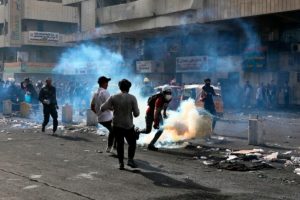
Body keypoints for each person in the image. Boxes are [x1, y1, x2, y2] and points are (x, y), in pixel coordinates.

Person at [101, 79, 140, 170]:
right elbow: (137, 114)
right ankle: (130, 160)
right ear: (129, 88)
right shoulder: (132, 98)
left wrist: (113, 108)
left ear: (119, 87)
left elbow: (102, 108)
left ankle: (121, 163)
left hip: (117, 125)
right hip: (128, 125)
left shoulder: (114, 97)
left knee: (120, 144)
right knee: (132, 143)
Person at [138, 85, 173, 151]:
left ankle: (151, 144)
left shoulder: (169, 98)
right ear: (163, 92)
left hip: (158, 113)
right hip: (150, 113)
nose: (168, 94)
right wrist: (156, 123)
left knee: (161, 129)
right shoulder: (159, 100)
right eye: (167, 93)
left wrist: (164, 113)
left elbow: (165, 105)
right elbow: (156, 112)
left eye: (169, 93)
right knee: (148, 130)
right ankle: (137, 131)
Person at [91, 76, 115, 153]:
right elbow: (110, 106)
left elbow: (92, 106)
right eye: (107, 83)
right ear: (104, 83)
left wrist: (98, 114)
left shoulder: (95, 93)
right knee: (115, 131)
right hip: (107, 118)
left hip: (100, 118)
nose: (107, 85)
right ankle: (112, 147)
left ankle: (111, 147)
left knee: (113, 130)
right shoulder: (105, 92)